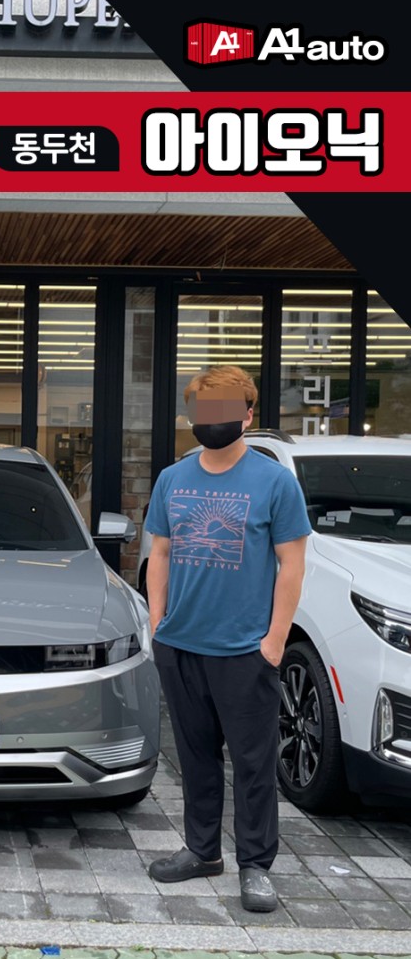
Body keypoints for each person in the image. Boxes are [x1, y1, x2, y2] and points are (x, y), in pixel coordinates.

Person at [144, 365, 310, 913]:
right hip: (182, 646)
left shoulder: (274, 481)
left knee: (253, 763)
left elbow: (292, 564)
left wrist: (274, 641)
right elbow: (159, 552)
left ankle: (255, 865)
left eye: (223, 410)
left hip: (244, 649)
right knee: (196, 758)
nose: (211, 421)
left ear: (247, 414)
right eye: (202, 410)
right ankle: (202, 851)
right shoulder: (173, 478)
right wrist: (158, 624)